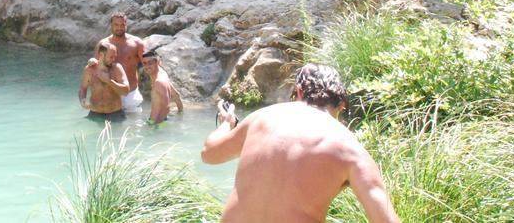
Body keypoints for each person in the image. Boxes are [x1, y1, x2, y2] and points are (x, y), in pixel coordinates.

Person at [201, 63, 400, 223]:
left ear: (299, 92)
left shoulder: (262, 118)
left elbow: (209, 154)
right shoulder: (350, 149)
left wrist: (227, 124)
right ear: (341, 104)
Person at [96, 12, 146, 112]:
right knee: (110, 126)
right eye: (116, 25)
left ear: (126, 25)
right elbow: (97, 68)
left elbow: (149, 64)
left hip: (130, 94)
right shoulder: (103, 44)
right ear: (111, 25)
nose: (119, 28)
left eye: (122, 25)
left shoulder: (136, 43)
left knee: (135, 125)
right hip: (110, 94)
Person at [78, 41, 129, 121]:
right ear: (101, 55)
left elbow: (126, 91)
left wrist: (109, 81)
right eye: (111, 57)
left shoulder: (117, 68)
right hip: (94, 114)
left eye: (114, 56)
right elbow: (83, 88)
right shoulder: (89, 69)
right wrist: (82, 100)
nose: (113, 59)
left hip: (115, 114)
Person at [141, 51, 184, 125]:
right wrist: (180, 113)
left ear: (157, 62)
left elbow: (166, 107)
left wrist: (157, 127)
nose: (147, 66)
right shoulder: (162, 73)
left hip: (156, 121)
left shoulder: (159, 82)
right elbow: (176, 94)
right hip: (161, 120)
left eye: (150, 63)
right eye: (144, 63)